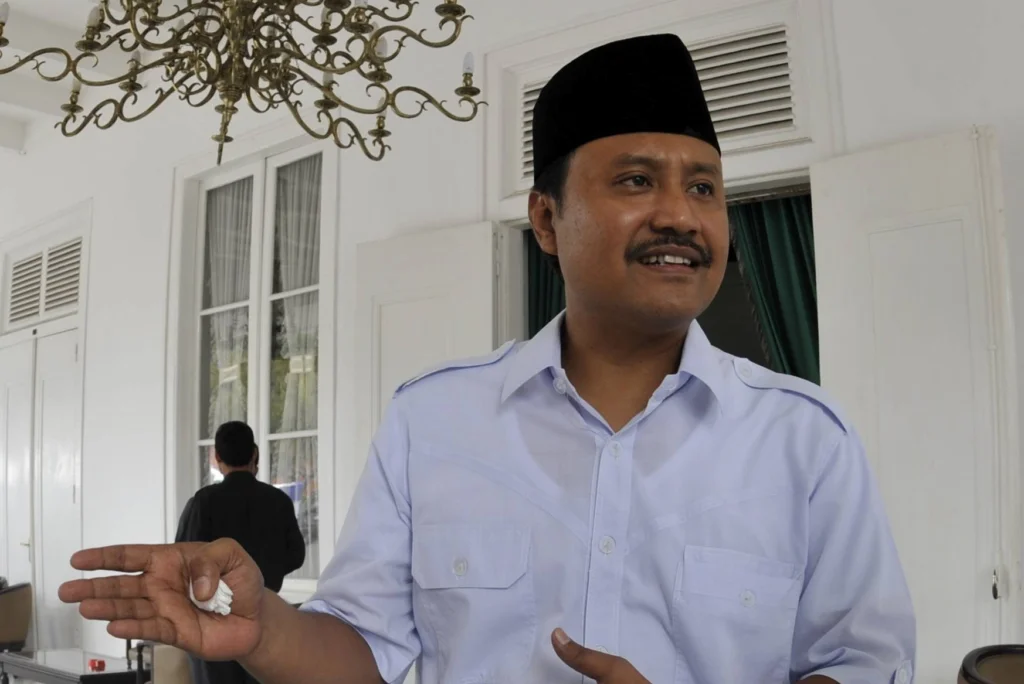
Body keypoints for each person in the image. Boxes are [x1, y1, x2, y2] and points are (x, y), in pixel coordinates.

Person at [57, 34, 915, 684]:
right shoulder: (433, 421)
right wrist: (266, 629)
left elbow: (863, 663)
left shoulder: (805, 439)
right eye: (635, 181)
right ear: (545, 220)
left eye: (703, 187)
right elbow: (365, 650)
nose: (681, 216)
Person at [174, 421, 306, 684]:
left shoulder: (204, 502)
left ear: (217, 457)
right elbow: (296, 555)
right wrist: (268, 570)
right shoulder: (278, 501)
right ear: (255, 453)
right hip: (265, 615)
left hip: (214, 624)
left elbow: (182, 560)